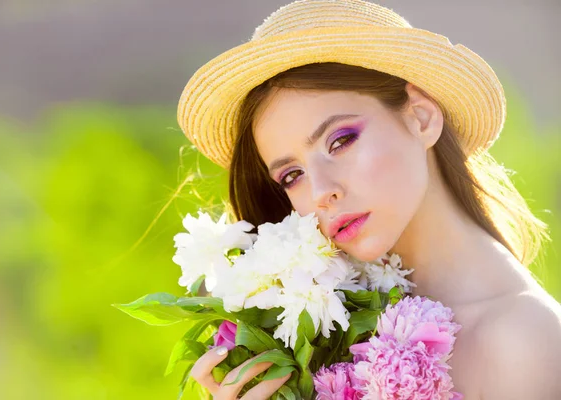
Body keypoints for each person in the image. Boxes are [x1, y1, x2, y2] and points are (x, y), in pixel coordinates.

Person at [176, 1, 561, 398]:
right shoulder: (310, 334)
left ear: (421, 117)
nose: (322, 191)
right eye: (292, 175)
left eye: (340, 141)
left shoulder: (522, 343)